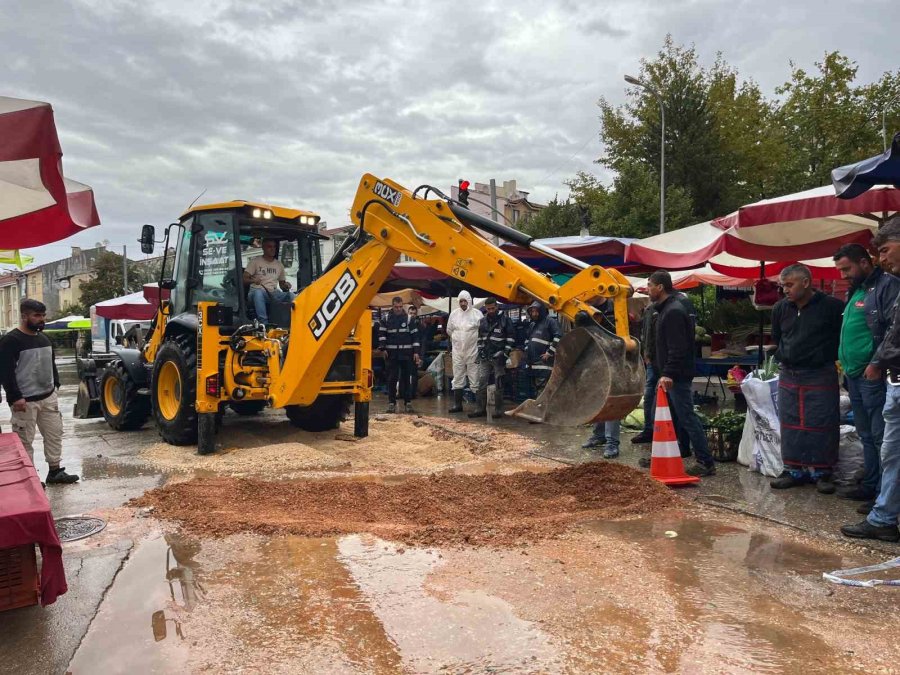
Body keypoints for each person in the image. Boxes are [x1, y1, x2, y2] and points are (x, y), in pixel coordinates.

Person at [842, 215, 900, 542]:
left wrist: (877, 361)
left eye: (887, 249)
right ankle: (882, 508)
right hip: (870, 373)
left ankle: (883, 514)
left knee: (886, 444)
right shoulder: (862, 290)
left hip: (884, 376)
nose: (883, 257)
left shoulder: (889, 286)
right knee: (879, 441)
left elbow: (893, 332)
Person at [769, 264, 845, 492]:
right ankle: (794, 470)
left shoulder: (832, 306)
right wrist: (780, 355)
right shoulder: (780, 308)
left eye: (789, 285)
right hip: (789, 372)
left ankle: (823, 472)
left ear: (805, 282)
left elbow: (842, 336)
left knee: (822, 421)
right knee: (790, 422)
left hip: (820, 372)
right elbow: (777, 337)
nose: (785, 290)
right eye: (783, 286)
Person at [0, 299, 78, 484]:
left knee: (54, 434)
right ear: (24, 316)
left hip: (48, 397)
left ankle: (55, 471)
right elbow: (5, 371)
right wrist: (15, 396)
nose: (41, 319)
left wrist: (55, 385)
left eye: (43, 315)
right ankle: (29, 479)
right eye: (36, 315)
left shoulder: (44, 338)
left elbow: (51, 364)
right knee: (24, 440)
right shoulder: (11, 340)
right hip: (24, 401)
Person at [647, 271, 716, 477]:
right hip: (668, 374)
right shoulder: (665, 310)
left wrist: (668, 373)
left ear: (660, 287)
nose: (648, 289)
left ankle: (705, 461)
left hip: (676, 376)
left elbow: (678, 348)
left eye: (650, 285)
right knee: (669, 415)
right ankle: (678, 450)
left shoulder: (674, 311)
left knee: (687, 416)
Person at [469, 297, 515, 419]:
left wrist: (504, 353)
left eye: (493, 308)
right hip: (485, 357)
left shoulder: (505, 320)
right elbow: (479, 338)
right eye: (488, 309)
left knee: (498, 382)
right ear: (485, 308)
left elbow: (511, 338)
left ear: (497, 307)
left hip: (499, 356)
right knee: (482, 381)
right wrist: (480, 350)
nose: (491, 311)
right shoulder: (482, 321)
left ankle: (498, 410)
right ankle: (480, 409)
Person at [379, 296, 421, 413]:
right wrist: (383, 349)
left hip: (406, 354)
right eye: (396, 307)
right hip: (392, 355)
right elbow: (382, 335)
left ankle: (408, 403)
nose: (398, 309)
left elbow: (415, 336)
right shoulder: (386, 319)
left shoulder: (409, 319)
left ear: (402, 306)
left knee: (406, 379)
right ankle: (391, 403)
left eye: (400, 307)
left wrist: (416, 352)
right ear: (392, 306)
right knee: (392, 379)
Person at [242, 238, 294, 325]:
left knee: (291, 295)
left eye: (274, 247)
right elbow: (244, 279)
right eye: (269, 247)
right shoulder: (255, 262)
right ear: (263, 248)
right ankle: (264, 324)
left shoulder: (279, 264)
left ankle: (295, 321)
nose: (273, 249)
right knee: (259, 293)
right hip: (256, 291)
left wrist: (286, 285)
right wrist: (253, 280)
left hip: (273, 293)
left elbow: (282, 284)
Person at [446, 290, 482, 414]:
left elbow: (483, 331)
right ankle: (457, 405)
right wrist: (457, 342)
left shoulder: (477, 314)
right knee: (458, 377)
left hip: (473, 352)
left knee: (474, 377)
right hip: (457, 352)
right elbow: (449, 330)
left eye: (464, 301)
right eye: (460, 301)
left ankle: (479, 407)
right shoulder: (454, 314)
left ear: (469, 301)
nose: (462, 303)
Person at [523, 300, 561, 397]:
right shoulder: (532, 324)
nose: (534, 314)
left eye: (536, 311)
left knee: (543, 389)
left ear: (542, 311)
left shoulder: (550, 321)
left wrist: (549, 353)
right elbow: (528, 340)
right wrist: (527, 352)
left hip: (544, 362)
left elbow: (558, 337)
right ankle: (538, 408)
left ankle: (542, 409)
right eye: (532, 311)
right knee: (536, 388)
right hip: (532, 363)